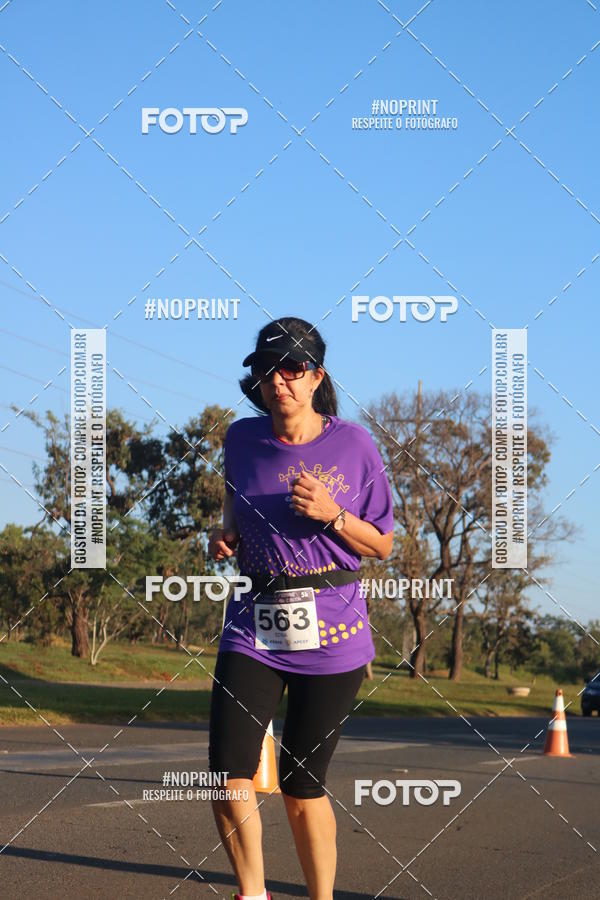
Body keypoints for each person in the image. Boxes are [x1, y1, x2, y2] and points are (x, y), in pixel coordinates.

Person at [207, 316, 394, 900]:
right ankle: (254, 894)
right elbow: (237, 500)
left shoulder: (355, 444)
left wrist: (333, 514)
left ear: (316, 377)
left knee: (300, 784)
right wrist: (226, 532)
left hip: (332, 629)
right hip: (253, 622)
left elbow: (383, 544)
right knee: (227, 773)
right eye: (267, 369)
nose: (278, 380)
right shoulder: (240, 438)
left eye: (291, 368)